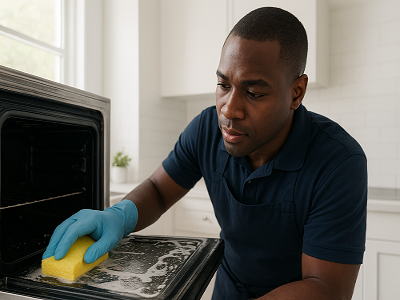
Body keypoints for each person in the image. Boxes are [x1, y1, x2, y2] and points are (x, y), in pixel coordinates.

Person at [43, 7, 367, 300]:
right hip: (228, 288)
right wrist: (119, 215)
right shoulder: (206, 129)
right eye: (224, 85)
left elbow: (326, 287)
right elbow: (158, 190)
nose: (229, 109)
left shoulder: (338, 163)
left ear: (296, 92)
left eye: (253, 93)